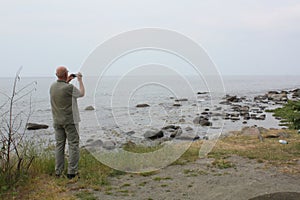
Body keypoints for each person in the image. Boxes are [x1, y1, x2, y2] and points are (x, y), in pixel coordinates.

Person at [50, 66, 85, 179]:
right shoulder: (69, 88)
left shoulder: (52, 87)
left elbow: (62, 89)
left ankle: (58, 172)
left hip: (57, 121)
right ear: (66, 74)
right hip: (70, 121)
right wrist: (79, 80)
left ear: (57, 75)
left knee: (59, 146)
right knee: (73, 145)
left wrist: (67, 80)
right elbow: (81, 93)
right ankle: (72, 172)